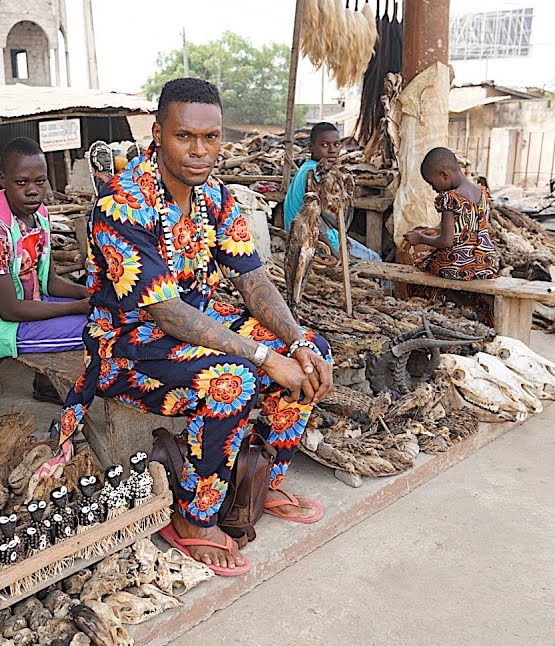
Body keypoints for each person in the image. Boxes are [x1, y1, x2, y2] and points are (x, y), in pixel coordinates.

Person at [38, 78, 335, 575]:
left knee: (314, 349)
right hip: (130, 347)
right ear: (157, 132)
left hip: (197, 332)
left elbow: (255, 281)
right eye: (184, 137)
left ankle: (260, 479)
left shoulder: (214, 197)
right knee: (232, 380)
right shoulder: (121, 203)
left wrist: (298, 342)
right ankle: (194, 519)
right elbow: (166, 312)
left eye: (211, 137)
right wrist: (264, 357)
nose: (200, 151)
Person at [0, 136, 90, 375]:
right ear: (3, 180)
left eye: (40, 182)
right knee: (105, 329)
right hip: (2, 329)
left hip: (33, 309)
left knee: (111, 313)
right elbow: (9, 310)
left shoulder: (40, 215)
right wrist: (79, 307)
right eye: (21, 182)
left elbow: (48, 282)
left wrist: (87, 293)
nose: (32, 191)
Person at [401, 146, 501, 323]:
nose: (434, 189)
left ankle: (442, 315)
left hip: (460, 265)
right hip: (486, 262)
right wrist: (436, 229)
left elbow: (446, 242)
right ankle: (477, 312)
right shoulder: (481, 191)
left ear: (444, 175)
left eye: (433, 184)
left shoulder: (449, 198)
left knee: (422, 270)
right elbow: (470, 227)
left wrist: (420, 238)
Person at [283, 122, 382, 262]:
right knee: (375, 259)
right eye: (325, 145)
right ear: (311, 147)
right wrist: (338, 255)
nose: (332, 150)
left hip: (309, 240)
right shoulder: (317, 173)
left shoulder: (306, 168)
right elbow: (315, 220)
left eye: (336, 144)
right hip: (317, 245)